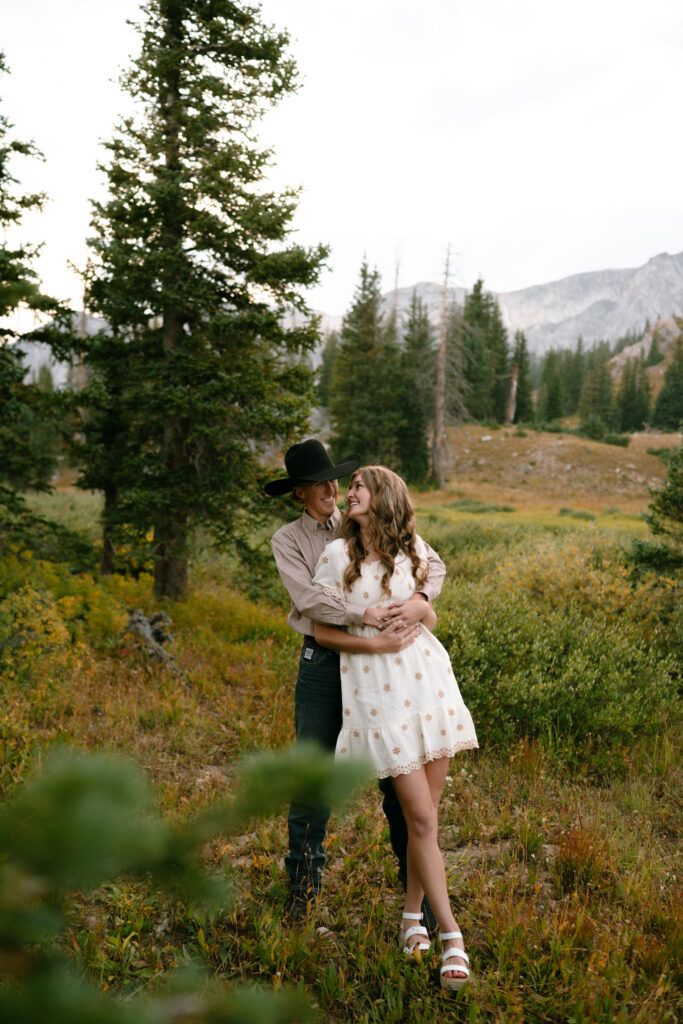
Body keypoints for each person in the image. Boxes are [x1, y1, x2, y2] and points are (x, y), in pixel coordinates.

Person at [312, 465, 478, 991]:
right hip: (377, 693)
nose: (348, 493)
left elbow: (434, 594)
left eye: (359, 485)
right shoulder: (337, 556)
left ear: (384, 496)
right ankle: (452, 935)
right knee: (420, 816)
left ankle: (412, 918)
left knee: (425, 820)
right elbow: (320, 628)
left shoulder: (413, 549)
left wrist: (420, 605)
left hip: (430, 684)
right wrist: (370, 630)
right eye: (351, 486)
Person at [264, 440, 445, 922]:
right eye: (317, 483)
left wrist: (421, 600)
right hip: (325, 664)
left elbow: (433, 561)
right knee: (313, 779)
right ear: (298, 493)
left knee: (398, 775)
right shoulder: (289, 540)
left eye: (334, 480)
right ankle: (302, 892)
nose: (330, 489)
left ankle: (421, 903)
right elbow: (309, 602)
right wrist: (363, 613)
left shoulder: (363, 522)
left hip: (381, 671)